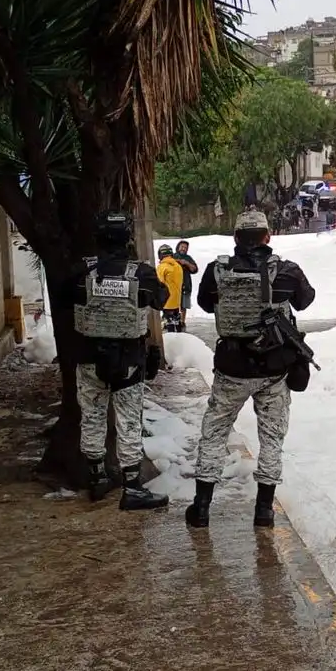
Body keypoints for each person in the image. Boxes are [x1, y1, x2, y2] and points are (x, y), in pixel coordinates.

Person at [185, 209, 315, 528]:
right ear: (267, 237)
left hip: (232, 368)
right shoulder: (287, 271)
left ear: (236, 239)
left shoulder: (217, 271)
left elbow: (204, 304)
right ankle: (264, 511)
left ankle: (201, 508)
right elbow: (305, 301)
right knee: (271, 438)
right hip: (274, 371)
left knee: (214, 433)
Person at [65, 210, 170, 511]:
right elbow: (161, 300)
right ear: (129, 239)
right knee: (128, 423)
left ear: (98, 238)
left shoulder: (82, 271)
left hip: (88, 360)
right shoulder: (141, 273)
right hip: (129, 361)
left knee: (93, 418)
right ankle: (133, 488)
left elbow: (64, 298)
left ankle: (97, 478)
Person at [156, 243, 184, 333]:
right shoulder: (178, 266)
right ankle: (180, 337)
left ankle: (172, 340)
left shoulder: (162, 267)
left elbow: (159, 284)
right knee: (177, 321)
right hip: (177, 300)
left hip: (167, 300)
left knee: (169, 323)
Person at [176, 240, 199, 328]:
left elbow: (195, 269)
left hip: (186, 284)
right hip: (174, 285)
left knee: (184, 305)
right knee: (173, 304)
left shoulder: (188, 258)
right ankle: (171, 320)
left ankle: (182, 322)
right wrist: (178, 261)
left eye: (185, 248)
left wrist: (186, 263)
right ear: (178, 247)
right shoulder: (173, 256)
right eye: (182, 247)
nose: (183, 249)